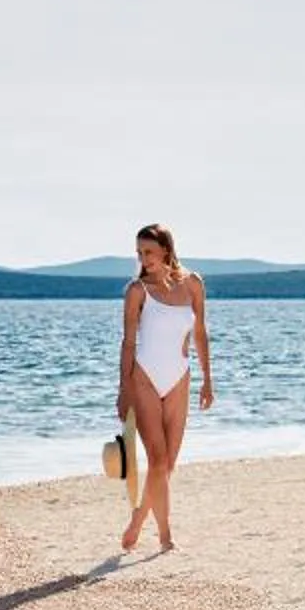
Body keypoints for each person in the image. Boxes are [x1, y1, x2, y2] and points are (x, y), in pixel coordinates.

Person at [118, 223, 213, 554]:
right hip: (144, 376)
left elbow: (200, 333)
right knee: (157, 461)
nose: (143, 259)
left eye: (149, 252)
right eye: (139, 253)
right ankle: (164, 535)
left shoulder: (193, 284)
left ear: (167, 251)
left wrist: (207, 379)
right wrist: (124, 390)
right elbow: (129, 343)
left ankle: (140, 517)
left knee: (168, 464)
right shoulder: (136, 291)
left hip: (179, 377)